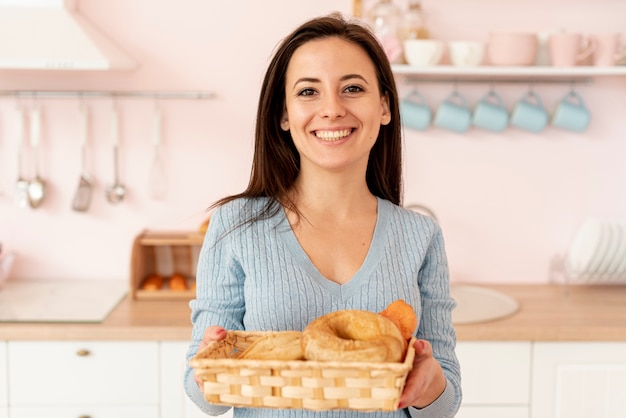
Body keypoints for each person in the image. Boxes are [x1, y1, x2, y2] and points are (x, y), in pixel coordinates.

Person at [184, 12, 461, 418]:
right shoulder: (235, 227)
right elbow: (202, 400)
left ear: (383, 106)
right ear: (283, 114)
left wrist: (429, 382)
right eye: (308, 92)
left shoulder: (420, 236)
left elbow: (445, 401)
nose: (331, 109)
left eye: (352, 88)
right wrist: (209, 367)